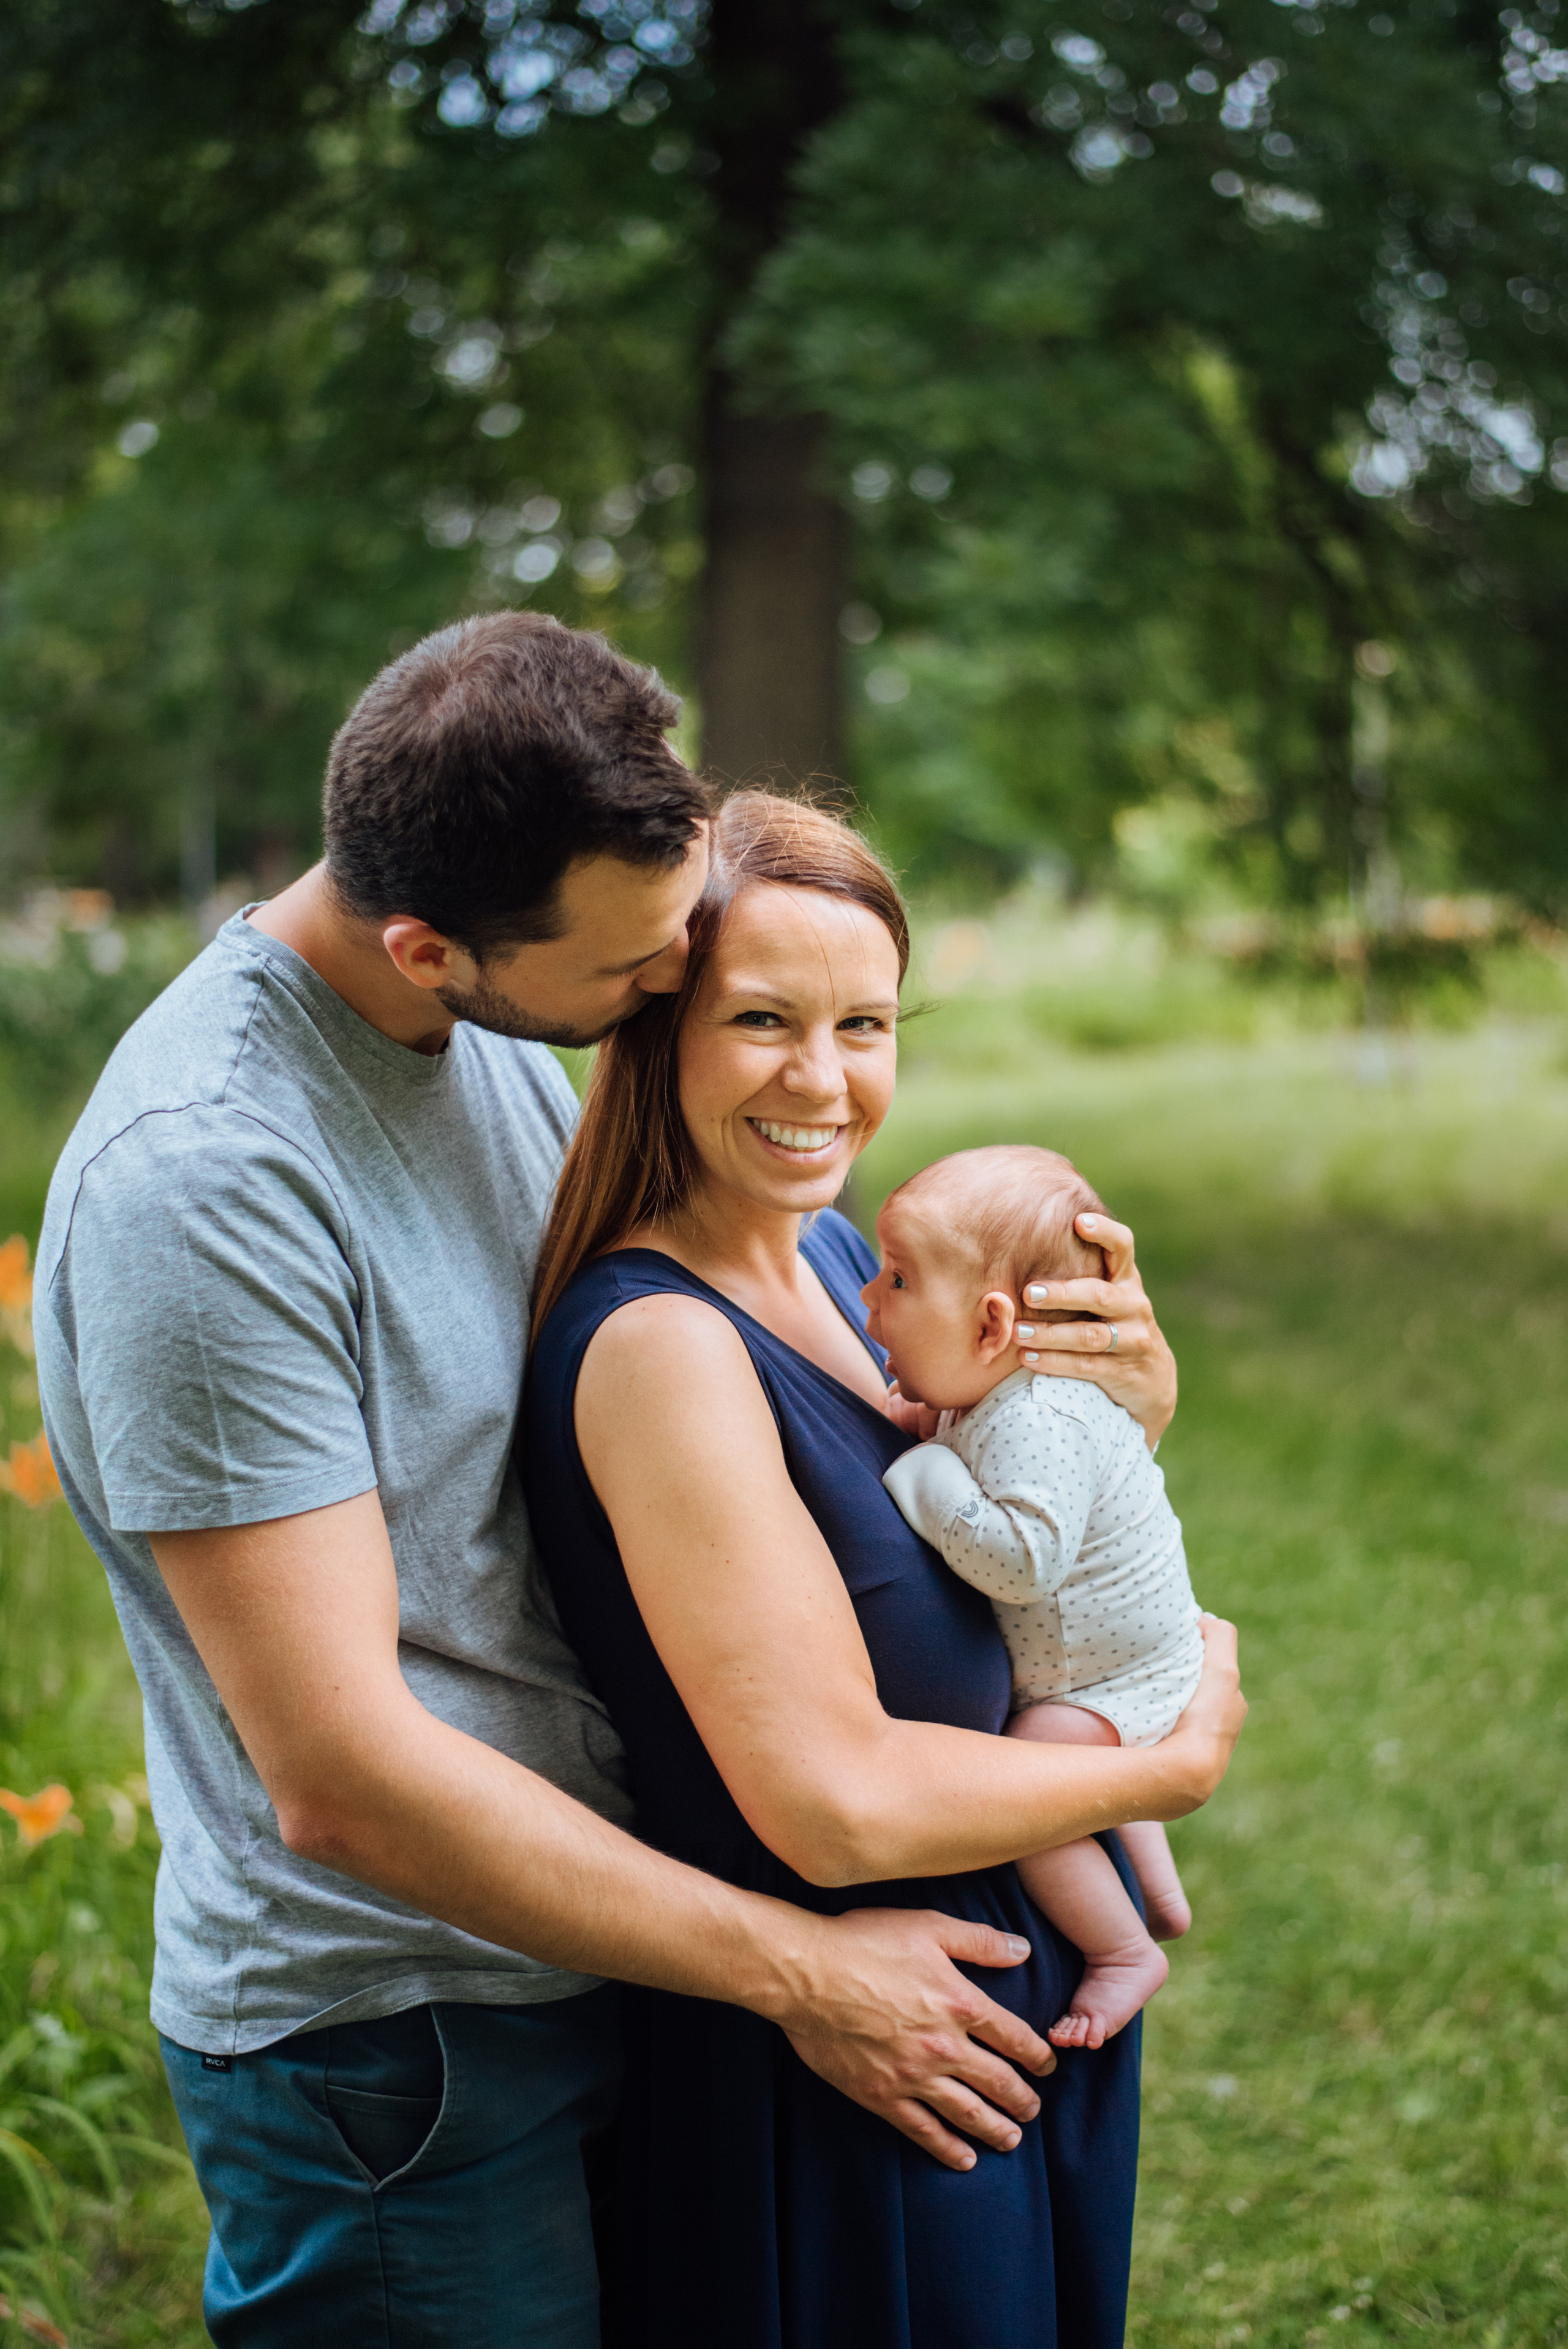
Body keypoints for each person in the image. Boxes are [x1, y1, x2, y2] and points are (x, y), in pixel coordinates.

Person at [34, 614, 1101, 2349]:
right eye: (639, 966)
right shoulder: (208, 1186)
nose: (675, 979)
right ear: (429, 946)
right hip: (407, 2042)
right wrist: (797, 1965)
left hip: (625, 1945)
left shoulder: (490, 1034)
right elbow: (342, 1777)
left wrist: (1081, 1420)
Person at [522, 789, 1246, 2349]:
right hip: (847, 2073)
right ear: (654, 1030)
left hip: (975, 2036)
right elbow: (832, 1808)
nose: (821, 1078)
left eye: (863, 1023)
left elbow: (1024, 1536)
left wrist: (1132, 1413)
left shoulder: (850, 1265)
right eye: (760, 1019)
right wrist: (1166, 1766)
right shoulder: (664, 1345)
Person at [872, 1144, 1204, 2052]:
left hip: (1107, 1675)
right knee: (1099, 1771)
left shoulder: (1041, 1416)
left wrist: (928, 1471)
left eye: (897, 1279)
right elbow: (965, 1425)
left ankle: (1124, 1949)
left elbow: (1023, 1563)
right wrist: (927, 1420)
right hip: (1124, 1655)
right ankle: (1161, 1895)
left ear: (991, 1326)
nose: (869, 1297)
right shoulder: (994, 1386)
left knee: (1030, 1788)